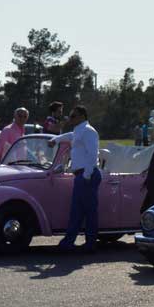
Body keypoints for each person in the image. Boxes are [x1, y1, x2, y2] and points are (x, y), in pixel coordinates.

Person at [51, 106, 101, 252]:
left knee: (89, 211)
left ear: (82, 116)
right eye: (70, 116)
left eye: (73, 116)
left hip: (87, 174)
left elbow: (93, 154)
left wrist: (86, 174)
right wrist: (56, 139)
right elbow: (70, 136)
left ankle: (90, 243)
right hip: (81, 175)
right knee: (77, 210)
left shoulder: (89, 131)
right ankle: (69, 242)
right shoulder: (79, 130)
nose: (70, 118)